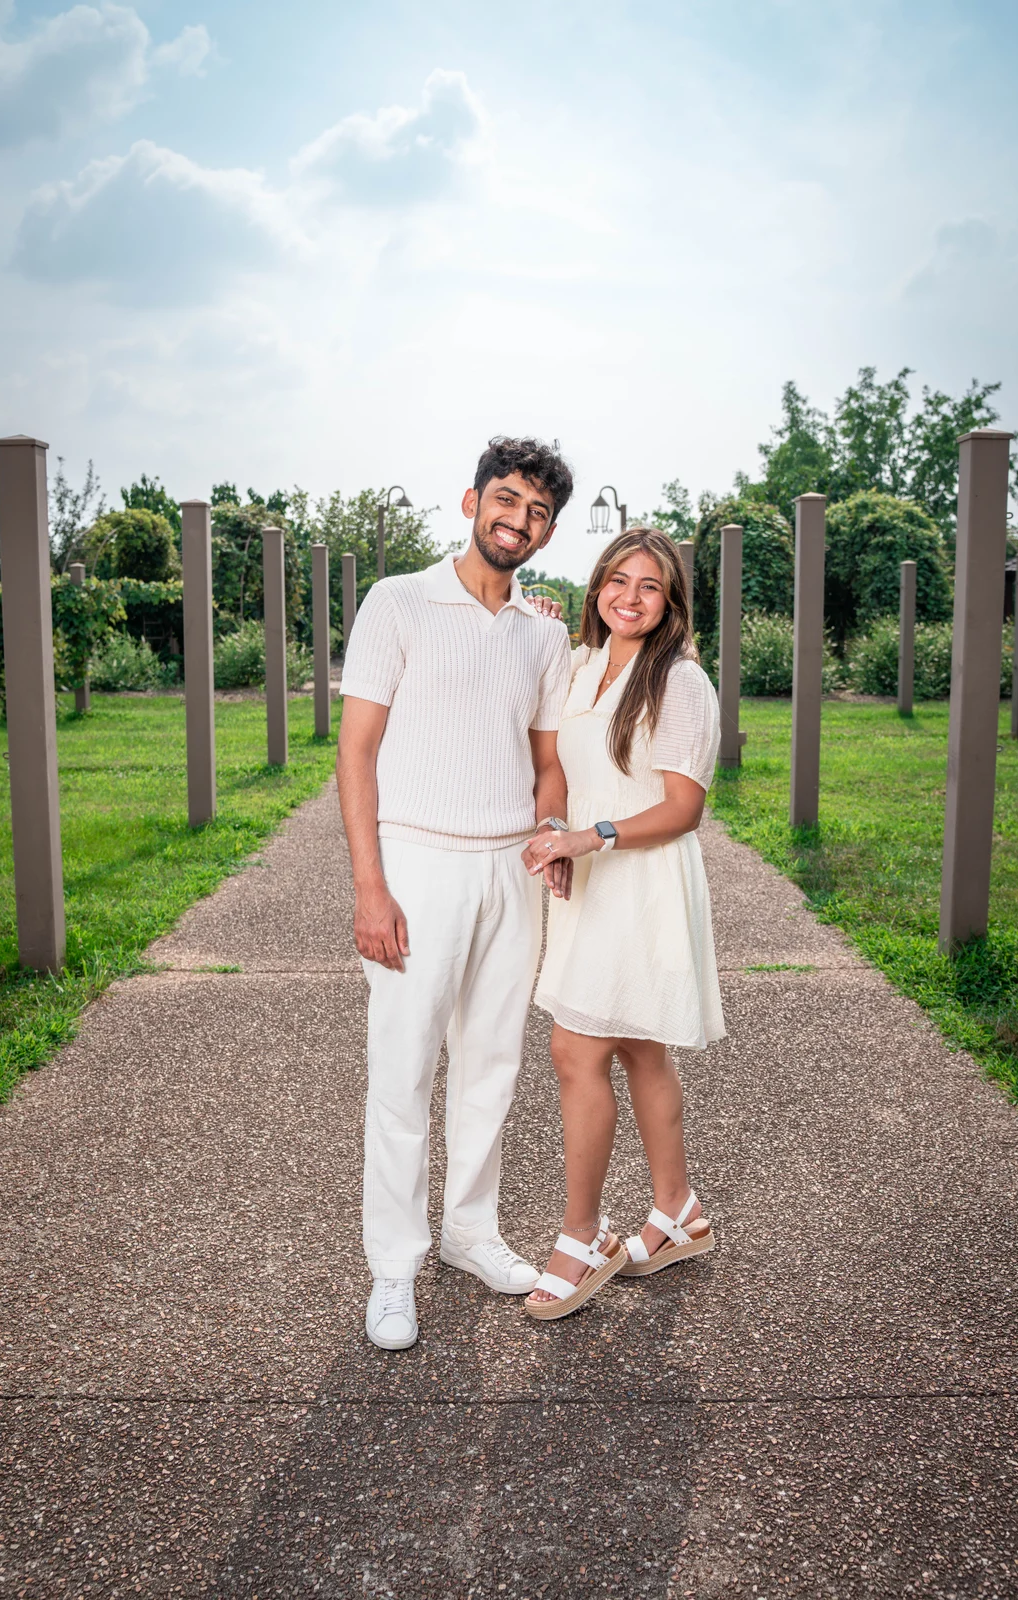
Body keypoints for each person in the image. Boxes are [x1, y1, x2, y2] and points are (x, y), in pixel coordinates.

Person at [337, 436, 575, 1350]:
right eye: (506, 501)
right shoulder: (397, 601)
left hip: (509, 869)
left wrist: (550, 834)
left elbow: (546, 761)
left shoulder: (544, 631)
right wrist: (370, 886)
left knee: (491, 1066)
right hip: (417, 864)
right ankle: (393, 1267)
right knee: (402, 1072)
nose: (518, 521)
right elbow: (356, 753)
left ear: (548, 532)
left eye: (538, 513)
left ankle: (471, 1231)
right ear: (471, 501)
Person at [521, 526, 725, 1321]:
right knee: (639, 1044)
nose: (629, 597)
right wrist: (553, 832)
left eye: (648, 586)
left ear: (670, 601)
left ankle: (583, 1237)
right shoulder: (577, 665)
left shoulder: (679, 681)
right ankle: (677, 1213)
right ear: (596, 586)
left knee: (575, 1047)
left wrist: (590, 836)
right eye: (617, 580)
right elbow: (555, 768)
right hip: (587, 881)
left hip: (640, 880)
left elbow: (683, 808)